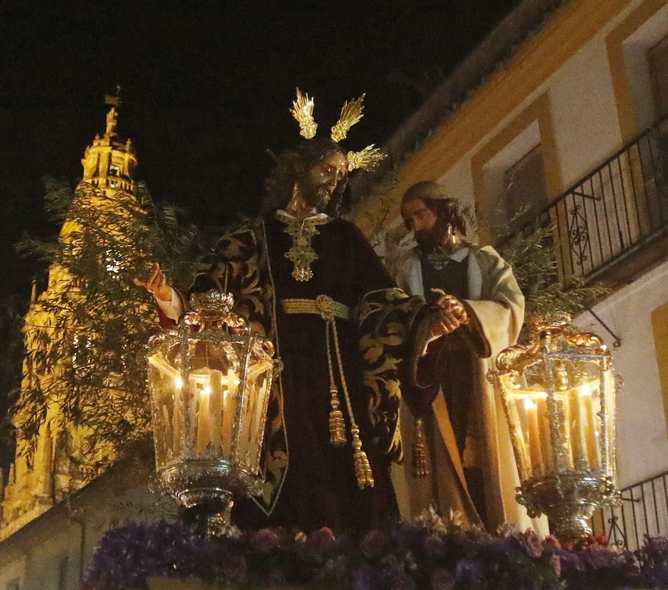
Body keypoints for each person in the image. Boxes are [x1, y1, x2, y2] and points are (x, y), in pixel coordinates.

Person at [140, 92, 469, 533]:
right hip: (272, 374)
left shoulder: (346, 237)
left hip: (340, 371)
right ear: (299, 168)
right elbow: (207, 301)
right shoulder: (252, 237)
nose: (334, 181)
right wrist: (168, 298)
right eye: (327, 170)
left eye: (341, 175)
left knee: (346, 469)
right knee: (278, 454)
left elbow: (381, 301)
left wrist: (425, 324)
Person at [391, 180, 531, 531]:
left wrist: (467, 312)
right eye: (410, 221)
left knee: (485, 459)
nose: (416, 226)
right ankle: (447, 531)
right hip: (429, 377)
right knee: (438, 460)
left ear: (444, 211)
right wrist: (427, 325)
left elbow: (511, 308)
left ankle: (496, 529)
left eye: (420, 215)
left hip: (477, 373)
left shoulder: (484, 261)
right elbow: (392, 317)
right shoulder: (404, 270)